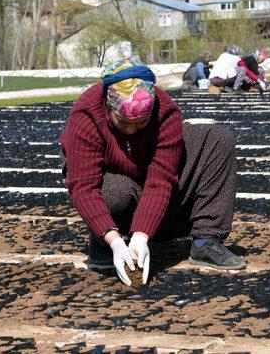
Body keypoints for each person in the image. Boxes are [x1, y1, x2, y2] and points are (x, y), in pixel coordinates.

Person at [60, 57, 245, 286]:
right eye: (124, 122)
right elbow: (84, 186)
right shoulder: (87, 116)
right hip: (117, 194)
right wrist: (114, 240)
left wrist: (141, 235)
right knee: (117, 191)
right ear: (109, 107)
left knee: (218, 138)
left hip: (153, 192)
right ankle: (104, 242)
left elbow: (161, 179)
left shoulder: (165, 112)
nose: (131, 130)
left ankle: (205, 242)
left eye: (140, 123)